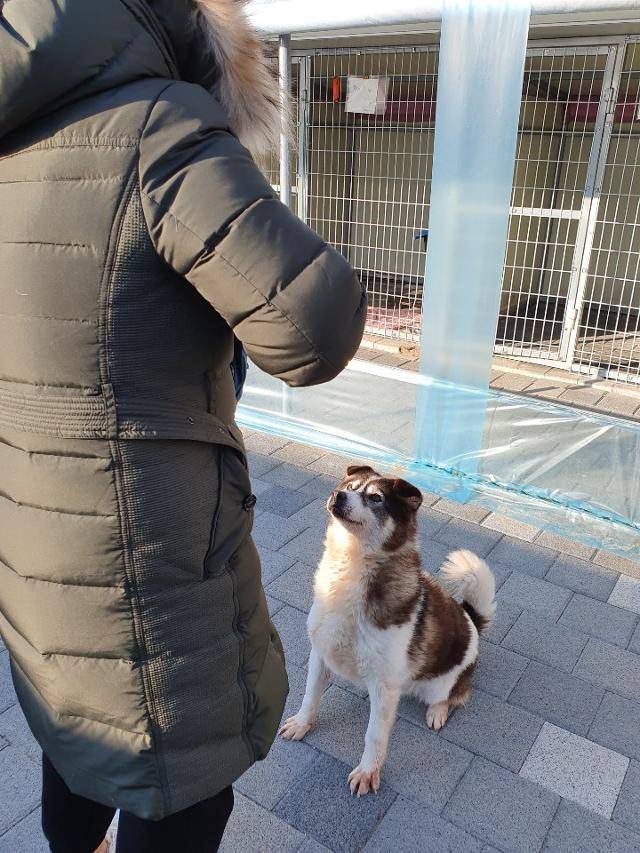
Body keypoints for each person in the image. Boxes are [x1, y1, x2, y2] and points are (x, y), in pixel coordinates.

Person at [0, 1, 366, 850]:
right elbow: (314, 330)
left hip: (33, 553)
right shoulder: (160, 128)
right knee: (183, 791)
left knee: (77, 737)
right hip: (148, 576)